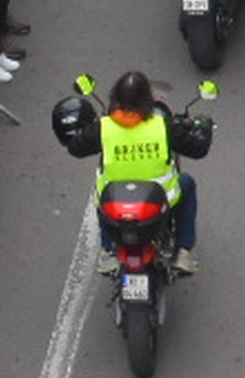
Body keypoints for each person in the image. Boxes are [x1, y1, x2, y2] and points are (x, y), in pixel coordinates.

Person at [57, 68, 205, 276]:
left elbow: (75, 148)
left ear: (115, 98)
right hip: (160, 201)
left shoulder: (103, 128)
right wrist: (203, 128)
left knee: (100, 191)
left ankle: (109, 252)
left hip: (115, 205)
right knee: (187, 183)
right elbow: (198, 149)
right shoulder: (163, 126)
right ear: (147, 100)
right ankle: (183, 252)